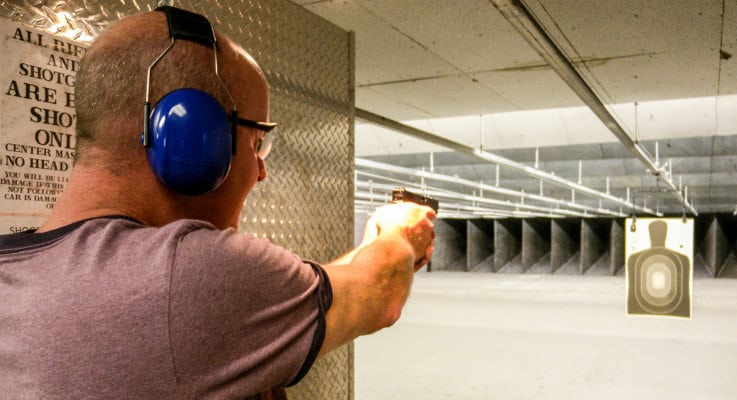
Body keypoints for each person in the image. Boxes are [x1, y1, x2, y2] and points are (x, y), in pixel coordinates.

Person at [0, 7, 435, 400]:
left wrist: (371, 244)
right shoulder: (184, 275)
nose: (261, 170)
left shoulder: (15, 268)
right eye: (256, 142)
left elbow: (333, 283)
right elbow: (379, 294)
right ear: (191, 135)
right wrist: (401, 232)